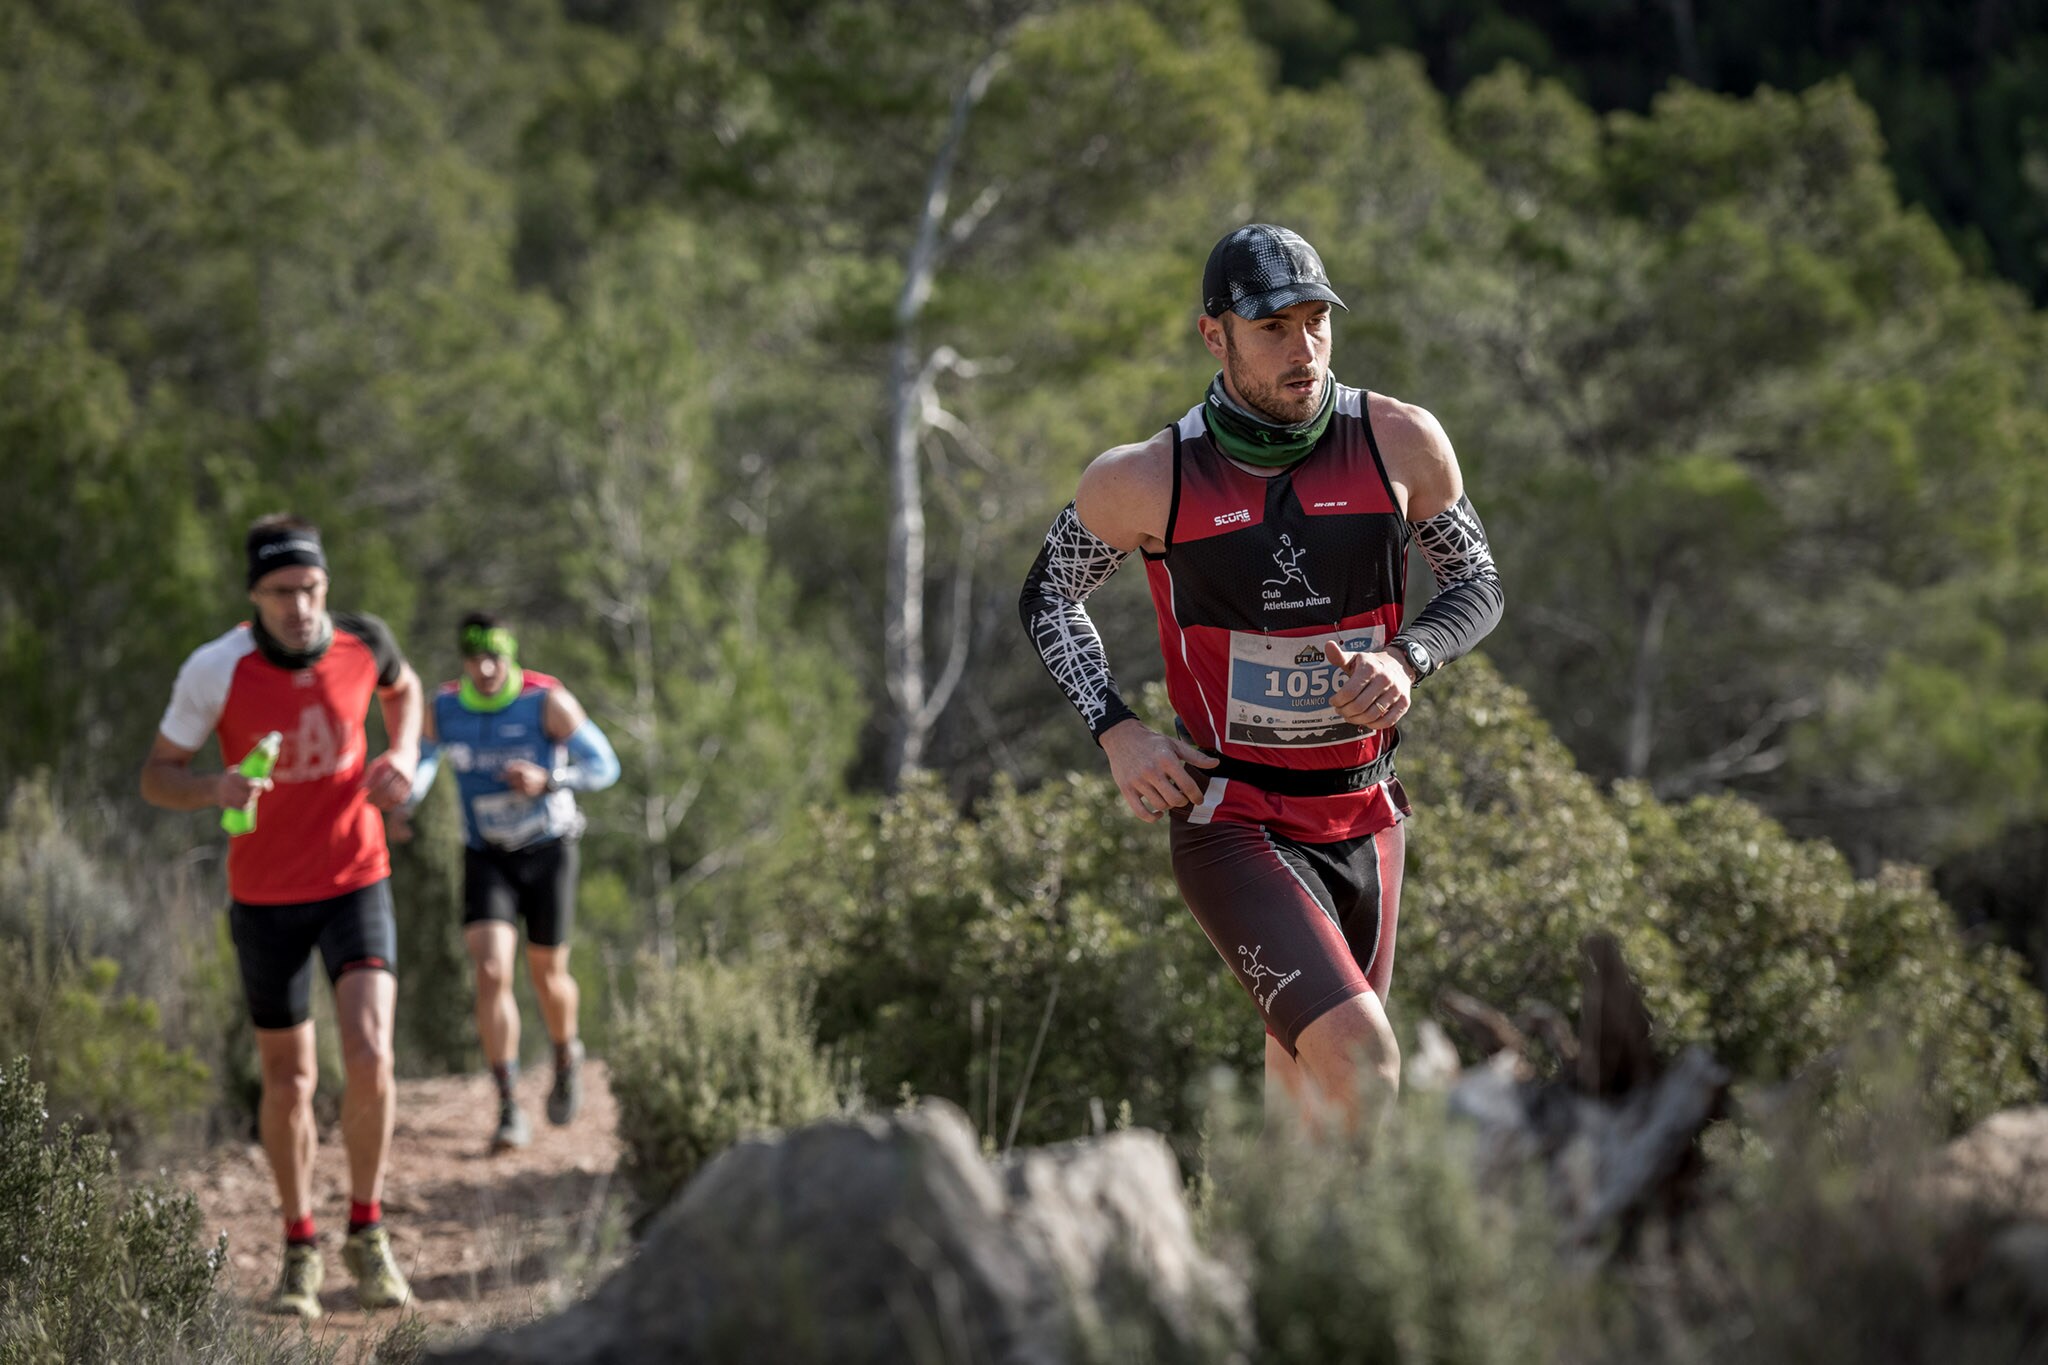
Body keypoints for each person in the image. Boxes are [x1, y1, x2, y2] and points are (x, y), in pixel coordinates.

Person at [1019, 224, 1505, 1138]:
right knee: (1366, 1060)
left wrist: (1409, 658)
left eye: (1317, 321)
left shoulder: (1399, 441)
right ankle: (1377, 1279)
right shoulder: (1148, 477)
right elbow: (1049, 596)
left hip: (1368, 813)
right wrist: (1118, 730)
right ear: (1217, 336)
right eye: (1273, 327)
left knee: (1309, 1101)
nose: (1304, 348)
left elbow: (1477, 581)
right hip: (1234, 818)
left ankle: (1266, 1269)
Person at [141, 514, 421, 1318]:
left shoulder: (364, 642)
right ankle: (299, 1245)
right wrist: (211, 789)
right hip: (265, 898)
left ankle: (366, 1231)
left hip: (355, 877)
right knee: (290, 1079)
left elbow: (403, 695)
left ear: (326, 585)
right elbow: (158, 775)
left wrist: (403, 756)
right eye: (281, 591)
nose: (299, 605)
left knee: (370, 1053)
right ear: (254, 596)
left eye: (311, 588)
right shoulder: (215, 668)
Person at [398, 612, 619, 1152]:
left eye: (497, 654)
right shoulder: (444, 709)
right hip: (486, 855)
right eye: (476, 656)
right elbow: (422, 762)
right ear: (464, 659)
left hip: (549, 850)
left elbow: (606, 766)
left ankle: (566, 1056)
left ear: (511, 653)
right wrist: (406, 800)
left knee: (547, 974)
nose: (488, 666)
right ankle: (508, 1105)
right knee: (492, 969)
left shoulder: (547, 702)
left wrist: (550, 780)